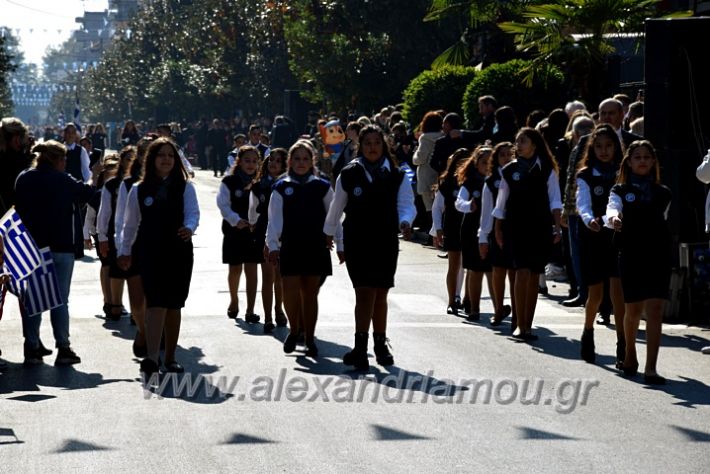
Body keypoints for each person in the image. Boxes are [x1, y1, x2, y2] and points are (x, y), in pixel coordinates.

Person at [324, 125, 416, 369]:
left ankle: (380, 344)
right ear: (360, 146)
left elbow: (406, 204)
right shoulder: (349, 173)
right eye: (368, 143)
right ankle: (360, 348)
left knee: (381, 294)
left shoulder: (397, 174)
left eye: (377, 142)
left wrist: (406, 221)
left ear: (383, 145)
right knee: (364, 292)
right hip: (358, 240)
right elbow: (336, 208)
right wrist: (329, 234)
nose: (372, 147)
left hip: (385, 240)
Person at [118, 137, 200, 377]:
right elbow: (130, 224)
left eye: (170, 156)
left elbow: (193, 214)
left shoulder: (185, 187)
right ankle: (152, 357)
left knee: (173, 304)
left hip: (179, 251)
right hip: (150, 251)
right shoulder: (138, 189)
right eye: (161, 155)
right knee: (155, 302)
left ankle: (171, 357)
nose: (166, 160)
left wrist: (189, 227)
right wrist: (124, 251)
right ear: (151, 159)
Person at [14, 140, 98, 365]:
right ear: (58, 160)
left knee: (34, 299)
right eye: (64, 160)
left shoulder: (24, 178)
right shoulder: (63, 180)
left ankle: (31, 347)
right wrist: (95, 176)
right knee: (60, 300)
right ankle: (63, 347)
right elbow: (90, 194)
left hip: (32, 247)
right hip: (61, 246)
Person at [606, 140, 671, 384]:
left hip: (658, 254)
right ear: (629, 162)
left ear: (653, 161)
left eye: (646, 157)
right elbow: (612, 209)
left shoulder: (664, 192)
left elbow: (662, 219)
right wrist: (614, 219)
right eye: (637, 157)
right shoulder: (620, 191)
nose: (642, 160)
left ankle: (651, 368)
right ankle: (630, 352)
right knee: (632, 310)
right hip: (631, 253)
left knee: (655, 310)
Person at [267, 140, 338, 357]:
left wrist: (335, 238)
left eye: (306, 159)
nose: (301, 163)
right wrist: (272, 245)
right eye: (296, 158)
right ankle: (293, 328)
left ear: (312, 161)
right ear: (290, 161)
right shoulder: (281, 187)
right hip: (291, 245)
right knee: (290, 290)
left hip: (316, 245)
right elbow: (273, 219)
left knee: (310, 293)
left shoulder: (322, 186)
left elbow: (334, 215)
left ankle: (309, 338)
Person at [493, 128, 563, 341]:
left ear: (534, 144)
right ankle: (519, 324)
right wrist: (497, 227)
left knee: (534, 274)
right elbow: (501, 202)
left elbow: (555, 200)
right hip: (516, 226)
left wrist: (557, 226)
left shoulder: (547, 169)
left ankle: (528, 325)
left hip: (540, 227)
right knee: (521, 272)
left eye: (523, 141)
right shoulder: (508, 170)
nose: (518, 145)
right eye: (517, 141)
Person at [575, 124, 625, 365]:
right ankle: (588, 331)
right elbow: (582, 204)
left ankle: (622, 342)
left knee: (619, 293)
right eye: (599, 146)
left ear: (616, 147)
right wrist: (588, 220)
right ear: (592, 148)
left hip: (618, 236)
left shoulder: (623, 172)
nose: (604, 151)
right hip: (593, 235)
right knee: (595, 294)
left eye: (608, 146)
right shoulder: (585, 174)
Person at [217, 146, 262, 323]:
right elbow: (223, 205)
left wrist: (256, 222)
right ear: (239, 161)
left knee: (252, 269)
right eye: (247, 160)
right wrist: (236, 220)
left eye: (254, 161)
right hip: (233, 231)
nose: (250, 165)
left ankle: (250, 310)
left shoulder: (261, 182)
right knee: (235, 268)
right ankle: (234, 300)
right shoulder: (229, 181)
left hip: (254, 231)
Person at [249, 148, 288, 333]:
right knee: (268, 277)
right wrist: (253, 226)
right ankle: (268, 317)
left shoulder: (290, 185)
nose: (274, 163)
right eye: (271, 160)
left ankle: (279, 310)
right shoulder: (258, 186)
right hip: (265, 232)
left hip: (285, 233)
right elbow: (252, 211)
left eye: (279, 161)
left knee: (280, 277)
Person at [431, 148, 472, 316]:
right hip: (452, 227)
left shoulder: (474, 181)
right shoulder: (447, 184)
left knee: (471, 267)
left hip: (471, 228)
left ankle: (468, 299)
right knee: (454, 265)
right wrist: (438, 229)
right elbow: (436, 208)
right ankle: (452, 300)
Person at [478, 142, 515, 327]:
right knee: (498, 271)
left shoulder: (521, 175)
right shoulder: (491, 181)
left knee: (515, 273)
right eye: (503, 155)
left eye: (510, 154)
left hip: (516, 229)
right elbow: (486, 212)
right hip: (496, 230)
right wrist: (483, 237)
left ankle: (518, 312)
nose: (507, 158)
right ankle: (498, 308)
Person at [455, 145, 493, 321]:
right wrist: (468, 205)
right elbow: (458, 202)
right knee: (474, 268)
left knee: (491, 269)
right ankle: (473, 307)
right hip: (471, 229)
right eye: (484, 162)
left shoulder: (499, 181)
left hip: (492, 229)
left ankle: (498, 308)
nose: (487, 165)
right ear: (476, 164)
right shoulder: (470, 182)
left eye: (490, 162)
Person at [83, 154, 120, 321]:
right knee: (107, 266)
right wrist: (87, 235)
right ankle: (109, 300)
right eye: (108, 175)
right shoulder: (98, 194)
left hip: (120, 235)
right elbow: (90, 217)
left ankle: (117, 300)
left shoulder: (125, 190)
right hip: (102, 235)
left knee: (120, 269)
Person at [412, 111, 444, 231]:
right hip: (438, 173)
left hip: (426, 174)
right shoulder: (443, 136)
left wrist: (414, 156)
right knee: (438, 205)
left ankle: (431, 233)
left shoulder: (425, 138)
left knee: (429, 207)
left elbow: (420, 158)